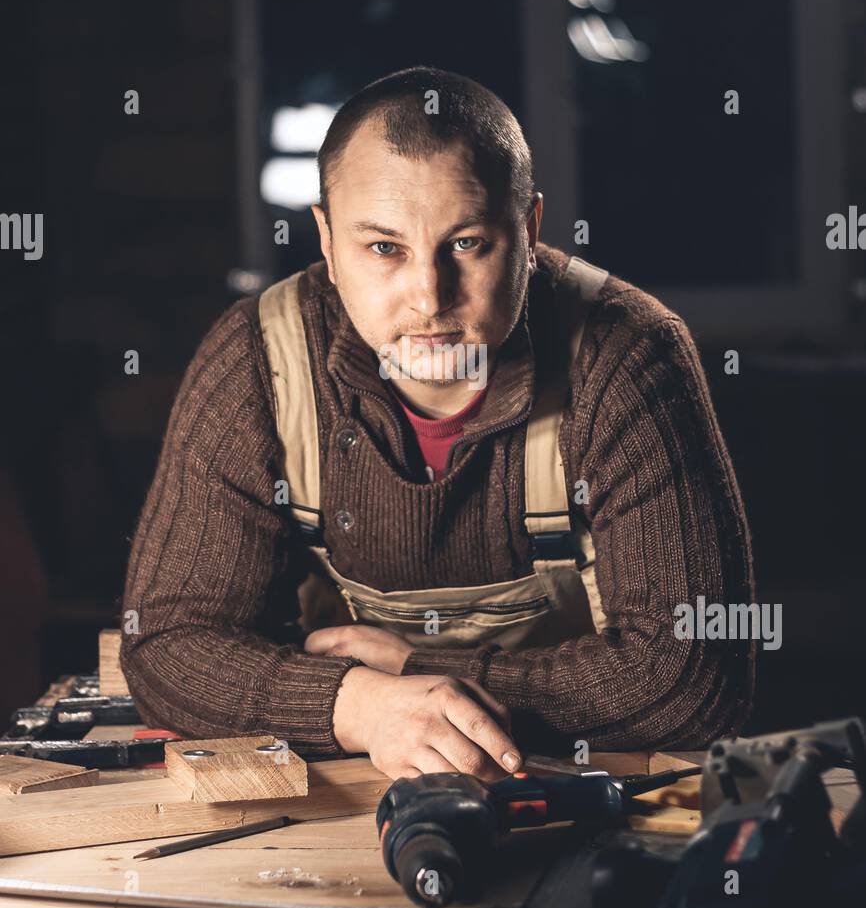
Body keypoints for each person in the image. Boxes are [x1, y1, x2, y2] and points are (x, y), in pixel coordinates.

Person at [120, 65, 755, 780]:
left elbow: (693, 676)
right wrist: (365, 708)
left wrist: (422, 670)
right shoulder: (257, 362)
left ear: (530, 229)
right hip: (351, 792)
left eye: (467, 244)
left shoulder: (626, 354)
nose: (429, 297)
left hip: (590, 787)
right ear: (326, 240)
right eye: (383, 248)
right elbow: (167, 644)